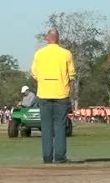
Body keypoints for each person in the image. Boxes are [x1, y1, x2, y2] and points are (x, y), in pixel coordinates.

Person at [31, 28, 76, 164]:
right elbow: (72, 74)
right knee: (60, 126)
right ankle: (60, 157)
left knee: (46, 126)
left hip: (44, 93)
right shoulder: (66, 54)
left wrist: (44, 81)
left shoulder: (39, 54)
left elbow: (34, 73)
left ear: (47, 38)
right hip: (61, 93)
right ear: (58, 38)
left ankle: (47, 157)